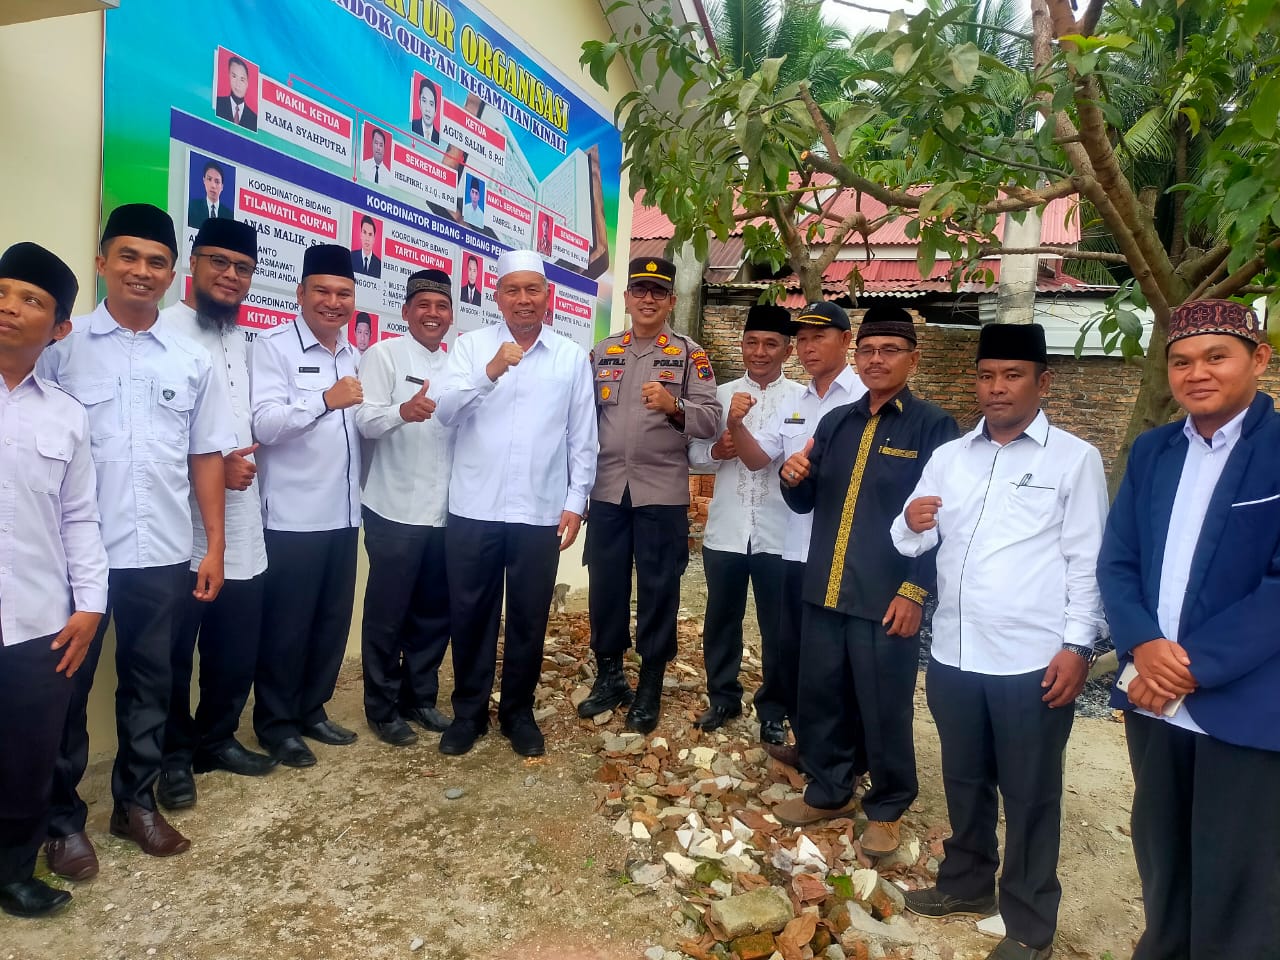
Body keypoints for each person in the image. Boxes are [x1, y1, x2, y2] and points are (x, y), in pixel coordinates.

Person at [891, 322, 1105, 960]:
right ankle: (966, 884)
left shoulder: (1073, 459)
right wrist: (911, 521)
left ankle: (1030, 926)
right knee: (964, 777)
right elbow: (910, 538)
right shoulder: (951, 457)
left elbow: (1087, 561)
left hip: (1032, 659)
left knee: (1031, 793)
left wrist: (1078, 646)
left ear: (1043, 382)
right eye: (986, 376)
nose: (997, 388)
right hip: (954, 652)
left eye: (1013, 376)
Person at [40, 203, 234, 874]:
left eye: (157, 261)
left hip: (160, 552)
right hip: (76, 559)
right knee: (66, 691)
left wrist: (213, 546)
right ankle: (61, 821)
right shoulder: (61, 351)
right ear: (102, 262)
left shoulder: (190, 359)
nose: (141, 271)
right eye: (128, 256)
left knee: (151, 683)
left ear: (173, 274)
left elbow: (206, 455)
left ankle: (135, 804)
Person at [1097, 300, 1280, 960]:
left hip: (1243, 702)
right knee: (1162, 853)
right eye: (1181, 361)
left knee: (1239, 876)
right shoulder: (1154, 452)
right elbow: (1118, 560)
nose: (1196, 373)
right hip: (1154, 697)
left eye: (1216, 356)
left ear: (1259, 360)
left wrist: (1189, 666)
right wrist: (1142, 646)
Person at [773, 305, 957, 848]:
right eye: (869, 351)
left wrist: (915, 590)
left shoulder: (933, 427)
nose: (877, 360)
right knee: (821, 695)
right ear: (857, 356)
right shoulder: (836, 422)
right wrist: (792, 477)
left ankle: (888, 806)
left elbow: (941, 518)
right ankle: (830, 788)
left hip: (884, 595)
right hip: (825, 584)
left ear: (912, 360)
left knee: (883, 704)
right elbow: (806, 502)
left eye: (890, 351)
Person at [434, 250, 596, 757]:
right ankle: (468, 713)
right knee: (470, 615)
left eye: (532, 290)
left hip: (539, 510)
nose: (523, 300)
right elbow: (444, 412)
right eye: (512, 290)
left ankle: (517, 713)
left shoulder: (570, 356)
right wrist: (489, 371)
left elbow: (582, 438)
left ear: (548, 296)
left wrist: (576, 502)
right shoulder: (471, 348)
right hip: (474, 508)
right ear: (497, 296)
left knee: (528, 616)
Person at [0, 243, 108, 919]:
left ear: (60, 328)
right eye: (1, 293)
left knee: (28, 758)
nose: (10, 307)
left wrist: (90, 605)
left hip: (40, 619)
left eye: (30, 300)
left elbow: (79, 516)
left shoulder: (66, 415)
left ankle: (14, 872)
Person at [155, 218, 276, 813]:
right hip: (178, 528)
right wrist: (209, 466)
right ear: (193, 264)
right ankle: (174, 757)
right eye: (219, 262)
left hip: (243, 525)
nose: (231, 276)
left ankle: (217, 738)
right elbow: (145, 437)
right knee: (175, 652)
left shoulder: (243, 340)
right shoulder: (161, 332)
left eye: (243, 268)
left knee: (235, 646)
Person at [576, 257, 721, 733]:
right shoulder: (603, 352)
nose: (648, 299)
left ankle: (650, 685)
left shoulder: (689, 354)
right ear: (627, 298)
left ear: (671, 301)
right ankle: (610, 676)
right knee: (606, 584)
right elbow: (582, 420)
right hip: (607, 489)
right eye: (639, 290)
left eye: (658, 291)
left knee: (659, 590)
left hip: (661, 493)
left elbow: (710, 419)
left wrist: (674, 405)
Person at [727, 300, 867, 749]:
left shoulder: (865, 397)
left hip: (846, 550)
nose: (808, 347)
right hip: (795, 545)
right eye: (802, 339)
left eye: (818, 337)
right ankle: (795, 731)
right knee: (792, 642)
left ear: (845, 341)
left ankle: (838, 749)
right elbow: (758, 458)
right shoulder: (795, 402)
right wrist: (736, 425)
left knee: (837, 652)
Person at [250, 244, 363, 768]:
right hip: (292, 517)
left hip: (344, 513)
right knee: (287, 627)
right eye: (322, 291)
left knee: (331, 621)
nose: (333, 302)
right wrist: (323, 400)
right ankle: (276, 724)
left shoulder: (353, 354)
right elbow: (264, 424)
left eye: (343, 293)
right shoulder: (273, 347)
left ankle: (311, 709)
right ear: (300, 293)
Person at [687, 304, 802, 732]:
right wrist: (716, 451)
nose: (760, 352)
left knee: (779, 627)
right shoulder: (718, 396)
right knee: (721, 620)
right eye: (752, 342)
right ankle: (723, 698)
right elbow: (694, 455)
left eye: (771, 344)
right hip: (727, 530)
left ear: (787, 350)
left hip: (780, 532)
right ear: (741, 346)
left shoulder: (801, 399)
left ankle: (774, 710)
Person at [355, 269, 457, 747]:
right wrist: (402, 412)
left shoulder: (457, 363)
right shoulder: (383, 354)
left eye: (441, 306)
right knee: (387, 614)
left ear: (451, 315)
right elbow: (364, 419)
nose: (433, 314)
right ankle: (382, 707)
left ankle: (420, 697)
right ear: (406, 311)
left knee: (434, 613)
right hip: (393, 507)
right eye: (424, 305)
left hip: (444, 513)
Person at [187, 160, 234, 229]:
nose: (213, 186)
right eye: (209, 179)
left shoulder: (229, 216)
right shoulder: (192, 207)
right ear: (204, 181)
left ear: (222, 187)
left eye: (217, 182)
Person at [215, 56, 257, 131]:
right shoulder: (217, 103)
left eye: (242, 79)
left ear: (247, 83)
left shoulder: (254, 119)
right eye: (234, 76)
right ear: (229, 76)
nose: (238, 84)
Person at [411, 77, 440, 145]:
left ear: (435, 110)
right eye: (424, 101)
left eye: (431, 104)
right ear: (419, 103)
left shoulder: (438, 137)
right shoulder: (413, 126)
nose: (427, 109)